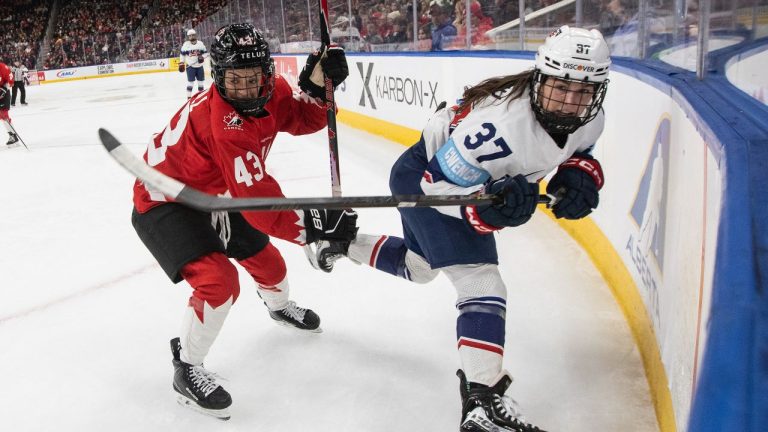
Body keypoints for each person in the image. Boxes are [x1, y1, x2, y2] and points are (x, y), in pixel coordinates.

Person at [316, 25, 611, 432]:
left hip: (436, 178)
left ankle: (340, 242)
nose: (571, 101)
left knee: (420, 268)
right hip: (424, 176)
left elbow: (581, 151)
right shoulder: (498, 128)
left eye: (584, 91)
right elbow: (434, 186)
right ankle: (483, 400)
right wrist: (487, 209)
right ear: (542, 77)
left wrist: (580, 176)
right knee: (481, 281)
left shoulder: (588, 119)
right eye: (562, 86)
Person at [131, 23, 356, 420]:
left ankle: (279, 307)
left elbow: (303, 119)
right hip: (165, 199)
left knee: (271, 265)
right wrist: (316, 226)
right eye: (236, 81)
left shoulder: (278, 89)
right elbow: (259, 205)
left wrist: (321, 90)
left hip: (213, 194)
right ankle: (186, 366)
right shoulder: (224, 124)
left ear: (268, 72)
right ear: (218, 79)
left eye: (255, 78)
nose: (248, 90)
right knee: (219, 282)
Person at [178, 29, 208, 99]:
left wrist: (202, 57)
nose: (191, 37)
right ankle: (189, 98)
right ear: (188, 37)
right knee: (190, 83)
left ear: (195, 35)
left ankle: (201, 97)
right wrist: (181, 63)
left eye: (193, 35)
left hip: (200, 66)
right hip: (190, 66)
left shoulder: (200, 44)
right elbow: (182, 55)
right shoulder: (186, 45)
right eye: (190, 36)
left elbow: (206, 53)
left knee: (201, 83)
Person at [0, 61, 18, 146]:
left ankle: (14, 136)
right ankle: (12, 135)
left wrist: (4, 88)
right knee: (1, 116)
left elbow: (10, 80)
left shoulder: (3, 67)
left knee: (4, 115)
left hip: (3, 93)